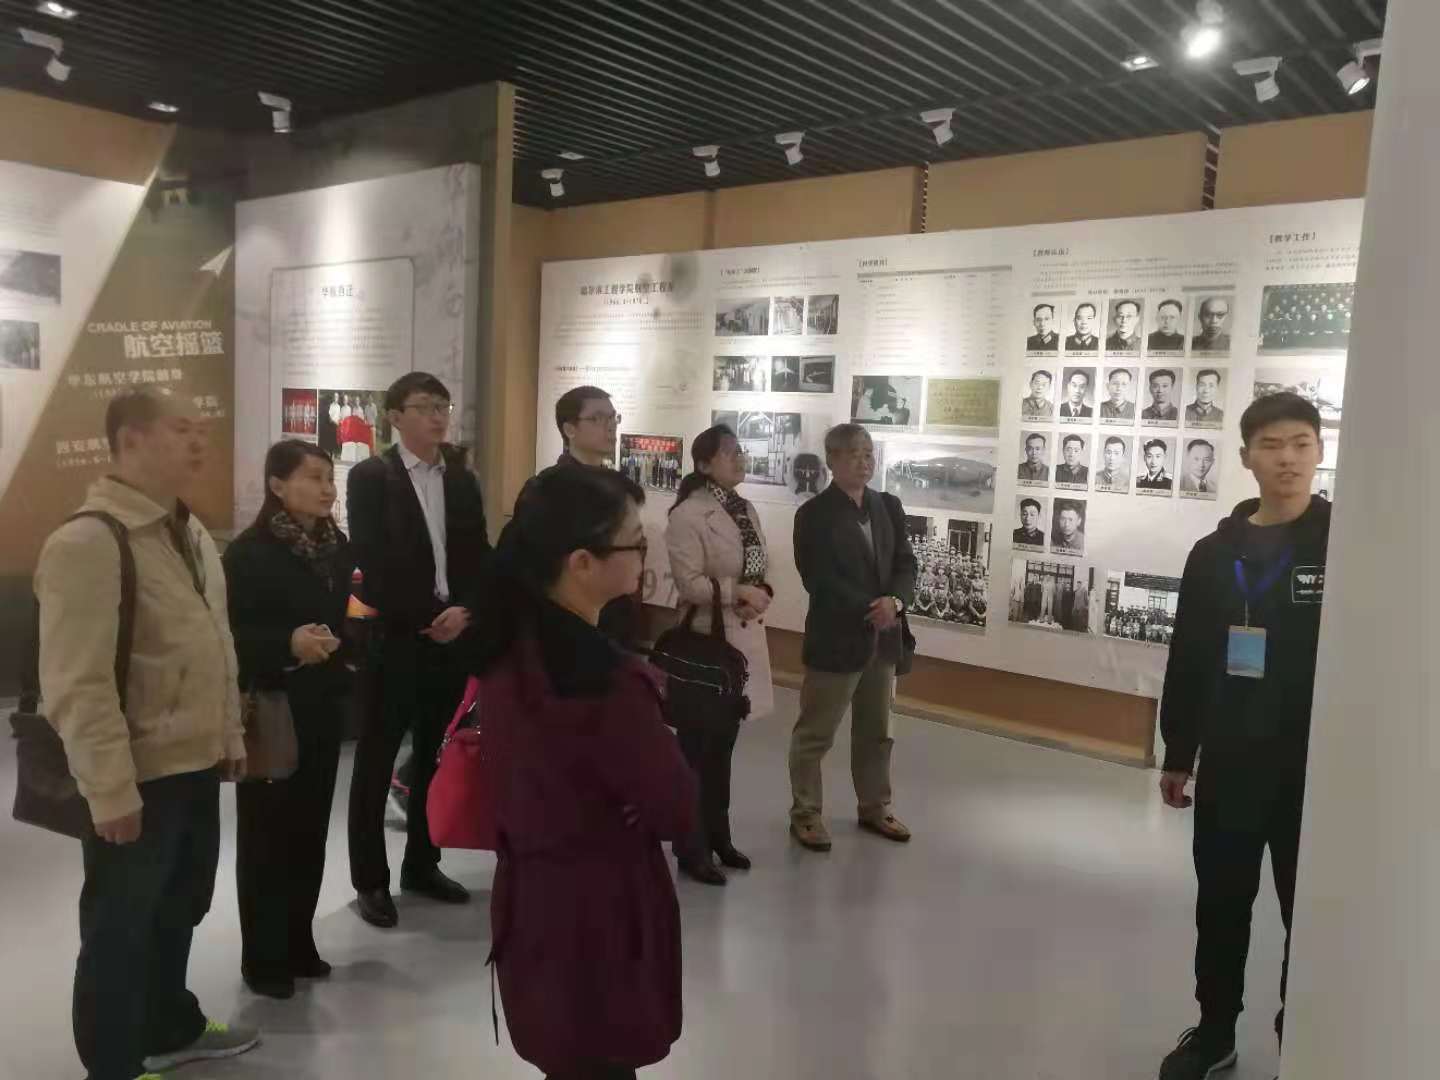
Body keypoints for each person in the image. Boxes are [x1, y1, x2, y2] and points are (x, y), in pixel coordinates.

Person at [34, 388, 258, 1080]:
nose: (198, 442)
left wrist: (229, 737)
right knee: (120, 929)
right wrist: (109, 791)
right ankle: (113, 1064)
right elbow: (77, 684)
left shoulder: (188, 533)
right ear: (130, 439)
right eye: (180, 429)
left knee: (180, 907)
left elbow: (214, 645)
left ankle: (169, 1026)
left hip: (194, 763)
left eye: (201, 429)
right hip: (138, 777)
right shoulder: (88, 542)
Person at [473, 465, 696, 1080]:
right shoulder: (606, 681)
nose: (644, 556)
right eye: (634, 543)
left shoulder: (506, 645)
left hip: (531, 898)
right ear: (581, 563)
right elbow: (675, 805)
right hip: (601, 908)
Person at [1156, 394, 1329, 1080]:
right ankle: (1215, 1031)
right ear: (1247, 457)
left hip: (1314, 770)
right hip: (1230, 761)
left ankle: (1302, 1039)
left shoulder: (1346, 544)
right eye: (1272, 445)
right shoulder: (1213, 554)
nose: (1288, 458)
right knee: (1222, 904)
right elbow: (1188, 657)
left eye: (1302, 443)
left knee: (1307, 913)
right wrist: (1178, 751)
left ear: (1319, 451)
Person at [346, 371, 492, 929]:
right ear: (395, 416)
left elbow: (477, 553)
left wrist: (467, 611)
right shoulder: (371, 477)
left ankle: (422, 863)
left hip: (451, 638)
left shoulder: (460, 479)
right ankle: (370, 880)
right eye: (425, 406)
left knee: (434, 753)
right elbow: (372, 562)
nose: (437, 417)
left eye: (442, 406)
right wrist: (430, 617)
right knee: (377, 760)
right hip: (397, 638)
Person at [224, 440, 355, 1000]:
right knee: (266, 835)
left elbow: (346, 615)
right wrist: (287, 642)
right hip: (271, 705)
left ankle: (299, 940)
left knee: (310, 829)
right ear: (277, 485)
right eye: (313, 477)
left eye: (329, 477)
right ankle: (263, 957)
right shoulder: (248, 554)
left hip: (322, 703)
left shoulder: (336, 547)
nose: (327, 488)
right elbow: (229, 637)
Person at [789, 424, 917, 851]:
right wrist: (872, 607)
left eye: (868, 453)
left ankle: (875, 806)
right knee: (816, 733)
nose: (864, 462)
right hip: (837, 638)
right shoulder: (814, 514)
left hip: (884, 639)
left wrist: (895, 602)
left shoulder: (888, 506)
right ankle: (806, 813)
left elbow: (906, 563)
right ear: (832, 460)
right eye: (854, 454)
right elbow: (817, 578)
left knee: (877, 732)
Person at [665, 425, 775, 886]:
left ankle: (719, 837)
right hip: (706, 643)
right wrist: (737, 593)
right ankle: (690, 845)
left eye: (741, 451)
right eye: (730, 453)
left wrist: (761, 592)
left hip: (742, 639)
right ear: (705, 463)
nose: (740, 458)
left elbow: (761, 566)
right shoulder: (688, 514)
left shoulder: (744, 509)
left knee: (724, 747)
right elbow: (689, 583)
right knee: (696, 750)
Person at [554, 385, 618, 467]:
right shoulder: (552, 475)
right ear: (569, 430)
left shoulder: (615, 475)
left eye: (612, 417)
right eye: (598, 418)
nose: (612, 426)